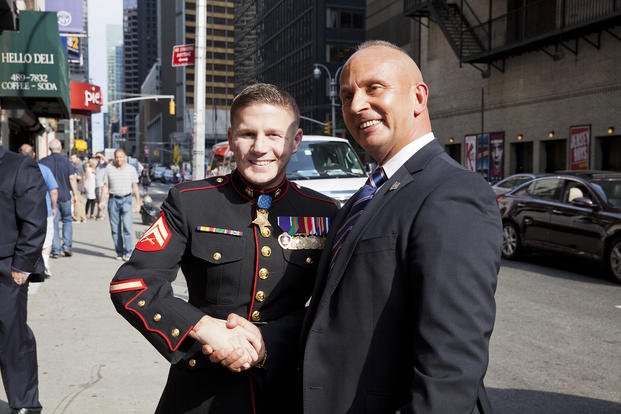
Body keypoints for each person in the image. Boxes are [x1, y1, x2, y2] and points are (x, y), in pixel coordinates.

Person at [109, 83, 338, 413]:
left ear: (295, 140)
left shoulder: (323, 212)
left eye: (274, 134)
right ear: (231, 138)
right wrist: (203, 328)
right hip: (200, 389)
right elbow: (132, 284)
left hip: (286, 388)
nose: (260, 147)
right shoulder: (190, 202)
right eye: (248, 134)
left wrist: (266, 343)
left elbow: (336, 307)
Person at [299, 41, 502, 413]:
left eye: (374, 88)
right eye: (347, 95)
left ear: (418, 97)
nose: (357, 105)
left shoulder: (453, 192)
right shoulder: (367, 194)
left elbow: (451, 361)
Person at [0, 145, 47, 414]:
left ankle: (25, 405)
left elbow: (34, 219)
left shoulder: (18, 165)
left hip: (7, 270)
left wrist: (22, 265)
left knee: (12, 339)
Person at [18, 144, 58, 278]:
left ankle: (26, 266)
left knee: (25, 238)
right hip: (44, 210)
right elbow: (53, 191)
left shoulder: (16, 170)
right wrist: (53, 207)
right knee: (46, 239)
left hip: (21, 211)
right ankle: (45, 263)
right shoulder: (44, 169)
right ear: (34, 154)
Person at [99, 148, 141, 261]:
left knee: (127, 227)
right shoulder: (109, 169)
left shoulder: (131, 169)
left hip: (127, 199)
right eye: (117, 157)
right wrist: (101, 201)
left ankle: (128, 252)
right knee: (115, 229)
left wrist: (138, 202)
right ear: (114, 157)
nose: (119, 159)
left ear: (125, 157)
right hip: (113, 200)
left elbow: (135, 186)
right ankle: (119, 252)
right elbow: (105, 186)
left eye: (121, 156)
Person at [40, 139, 79, 258]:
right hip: (65, 196)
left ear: (49, 149)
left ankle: (55, 249)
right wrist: (76, 194)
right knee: (67, 220)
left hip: (50, 198)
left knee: (54, 222)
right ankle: (67, 246)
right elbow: (72, 178)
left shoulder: (43, 162)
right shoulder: (66, 162)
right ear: (60, 148)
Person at [94, 152, 107, 220]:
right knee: (98, 201)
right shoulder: (97, 165)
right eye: (96, 158)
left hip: (101, 185)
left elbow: (107, 162)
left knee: (101, 200)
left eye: (98, 158)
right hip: (96, 185)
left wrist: (101, 156)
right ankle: (98, 213)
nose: (97, 159)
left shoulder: (103, 164)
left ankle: (102, 214)